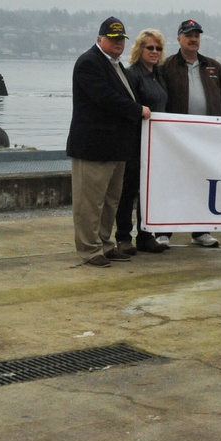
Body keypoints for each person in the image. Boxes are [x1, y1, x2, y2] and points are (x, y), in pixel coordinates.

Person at [66, 16, 151, 267]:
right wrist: (138, 110)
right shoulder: (88, 63)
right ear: (100, 39)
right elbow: (106, 98)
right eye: (113, 39)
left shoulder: (116, 66)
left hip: (116, 148)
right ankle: (89, 250)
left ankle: (105, 244)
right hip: (93, 148)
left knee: (110, 202)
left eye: (121, 39)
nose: (118, 43)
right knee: (89, 204)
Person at [157, 19, 221, 248]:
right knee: (170, 182)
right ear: (179, 38)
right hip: (175, 138)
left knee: (202, 182)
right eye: (189, 35)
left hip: (206, 137)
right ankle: (163, 231)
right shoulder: (167, 66)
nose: (193, 39)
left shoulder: (213, 67)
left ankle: (200, 231)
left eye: (197, 36)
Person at [114, 29, 169, 255]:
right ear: (140, 50)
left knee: (149, 191)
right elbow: (126, 107)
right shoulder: (132, 75)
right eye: (150, 48)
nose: (154, 52)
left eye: (158, 48)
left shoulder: (159, 75)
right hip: (135, 142)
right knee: (129, 190)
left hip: (155, 144)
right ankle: (123, 237)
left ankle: (146, 235)